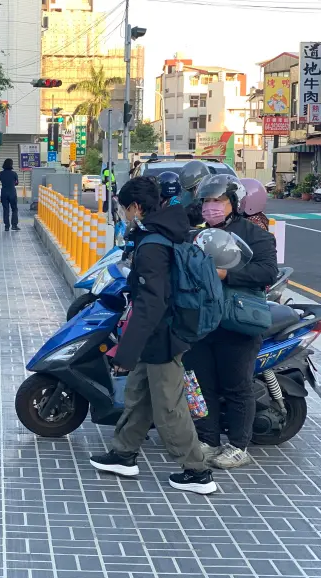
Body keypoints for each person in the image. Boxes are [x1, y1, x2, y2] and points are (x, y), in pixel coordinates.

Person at [89, 176, 217, 495]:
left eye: (123, 208)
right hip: (158, 333)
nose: (123, 214)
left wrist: (126, 352)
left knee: (168, 407)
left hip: (162, 336)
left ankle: (197, 472)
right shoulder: (164, 228)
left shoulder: (153, 245)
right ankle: (123, 454)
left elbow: (150, 304)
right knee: (138, 394)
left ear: (135, 207)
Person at [185, 175, 278, 469]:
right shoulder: (197, 236)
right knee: (201, 385)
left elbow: (266, 273)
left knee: (237, 386)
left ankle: (238, 445)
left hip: (237, 322)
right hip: (202, 321)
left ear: (234, 204)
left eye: (218, 201)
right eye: (207, 201)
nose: (211, 207)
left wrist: (227, 275)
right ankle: (208, 440)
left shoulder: (255, 235)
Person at [178, 160, 212, 227]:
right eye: (190, 189)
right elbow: (179, 212)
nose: (194, 192)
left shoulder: (218, 195)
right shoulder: (186, 197)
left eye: (196, 187)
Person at [0, 158, 20, 231]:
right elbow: (17, 183)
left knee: (5, 209)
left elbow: (1, 180)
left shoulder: (1, 173)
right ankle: (14, 225)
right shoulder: (14, 174)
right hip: (12, 193)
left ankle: (6, 226)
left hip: (4, 193)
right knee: (14, 209)